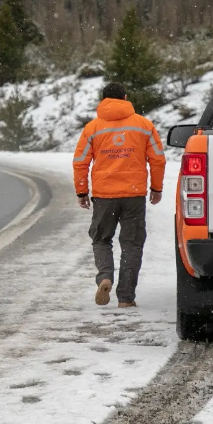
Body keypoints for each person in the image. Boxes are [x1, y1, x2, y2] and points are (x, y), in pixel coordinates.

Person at [73, 83, 166, 308]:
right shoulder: (144, 125)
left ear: (103, 99)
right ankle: (125, 298)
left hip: (105, 195)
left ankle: (105, 276)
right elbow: (158, 159)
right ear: (125, 97)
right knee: (132, 245)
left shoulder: (93, 128)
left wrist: (82, 191)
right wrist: (156, 188)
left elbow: (80, 162)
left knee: (101, 239)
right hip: (134, 195)